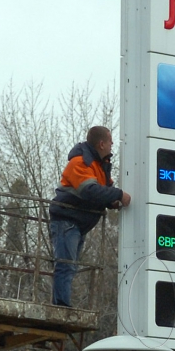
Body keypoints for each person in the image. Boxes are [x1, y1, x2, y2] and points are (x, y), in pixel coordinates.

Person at [49, 126, 131, 307]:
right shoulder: (81, 162)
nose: (112, 145)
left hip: (76, 223)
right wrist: (118, 195)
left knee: (69, 266)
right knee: (66, 265)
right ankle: (61, 308)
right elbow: (90, 191)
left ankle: (62, 305)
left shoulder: (98, 165)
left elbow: (102, 189)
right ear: (101, 144)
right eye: (110, 141)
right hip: (67, 221)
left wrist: (111, 201)